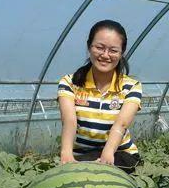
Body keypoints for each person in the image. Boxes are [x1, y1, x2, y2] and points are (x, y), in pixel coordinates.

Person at [57, 20, 142, 174]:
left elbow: (121, 125)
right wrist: (66, 153)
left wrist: (107, 155)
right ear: (89, 47)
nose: (105, 55)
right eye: (99, 48)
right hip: (82, 155)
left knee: (89, 173)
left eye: (113, 50)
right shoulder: (69, 82)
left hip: (120, 154)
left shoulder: (131, 86)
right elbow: (69, 120)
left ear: (121, 52)